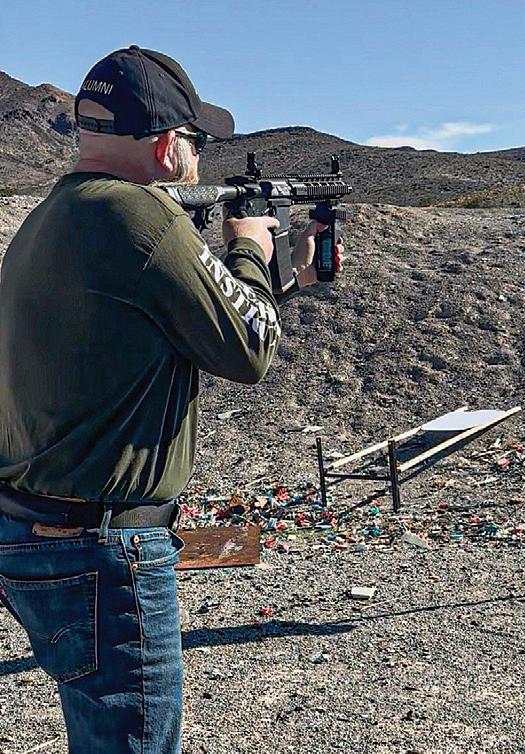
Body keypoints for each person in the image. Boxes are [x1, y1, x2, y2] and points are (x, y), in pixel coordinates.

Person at [0, 45, 342, 754]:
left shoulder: (56, 215)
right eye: (196, 144)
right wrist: (248, 248)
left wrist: (283, 280)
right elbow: (249, 353)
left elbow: (180, 326)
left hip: (40, 533)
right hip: (105, 549)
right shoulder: (144, 218)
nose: (196, 160)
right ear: (165, 146)